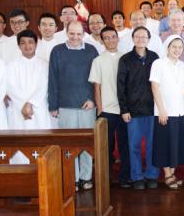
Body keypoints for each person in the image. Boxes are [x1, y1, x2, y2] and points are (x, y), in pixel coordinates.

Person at [48, 20, 99, 190]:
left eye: (78, 34)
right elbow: (52, 79)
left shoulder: (91, 50)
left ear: (83, 34)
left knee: (86, 143)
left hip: (87, 105)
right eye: (72, 33)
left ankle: (85, 177)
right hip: (65, 104)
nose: (75, 37)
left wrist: (93, 99)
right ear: (66, 33)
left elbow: (97, 80)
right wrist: (53, 105)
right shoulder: (57, 51)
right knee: (69, 144)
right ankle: (72, 177)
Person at [117, 26, 160, 190]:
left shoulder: (154, 58)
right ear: (133, 39)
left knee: (151, 145)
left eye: (144, 37)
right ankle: (136, 177)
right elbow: (120, 86)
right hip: (133, 111)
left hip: (151, 109)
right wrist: (124, 110)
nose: (141, 39)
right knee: (133, 146)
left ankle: (151, 175)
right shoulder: (125, 59)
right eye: (138, 37)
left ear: (148, 39)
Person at [88, 26, 130, 187]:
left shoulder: (125, 58)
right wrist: (100, 110)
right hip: (107, 110)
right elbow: (96, 87)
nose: (110, 40)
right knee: (106, 147)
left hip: (124, 110)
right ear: (102, 40)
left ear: (118, 38)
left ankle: (125, 177)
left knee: (125, 145)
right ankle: (105, 178)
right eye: (107, 38)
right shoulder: (98, 61)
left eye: (113, 37)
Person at [150, 35, 184, 189]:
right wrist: (161, 110)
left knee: (177, 144)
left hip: (181, 111)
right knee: (164, 143)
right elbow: (155, 87)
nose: (177, 50)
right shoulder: (158, 63)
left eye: (180, 47)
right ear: (168, 47)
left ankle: (172, 173)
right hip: (165, 111)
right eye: (174, 47)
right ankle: (167, 174)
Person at [6, 30, 51, 129]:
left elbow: (44, 86)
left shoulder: (44, 64)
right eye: (23, 43)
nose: (27, 46)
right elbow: (9, 87)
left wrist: (30, 103)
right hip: (18, 109)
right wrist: (24, 104)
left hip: (38, 108)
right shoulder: (11, 65)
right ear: (18, 45)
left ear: (36, 44)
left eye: (30, 42)